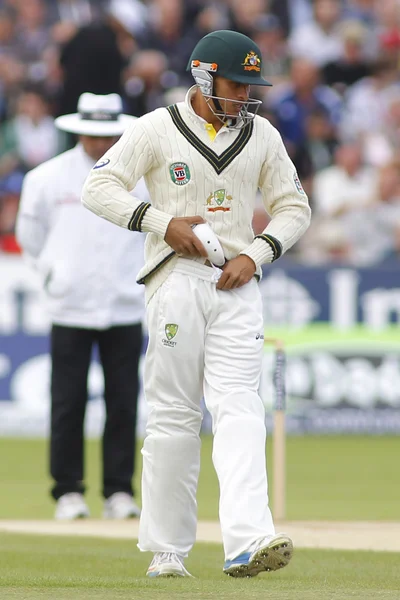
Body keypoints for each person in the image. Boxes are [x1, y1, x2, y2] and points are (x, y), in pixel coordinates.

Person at [82, 30, 311, 577]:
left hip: (237, 284)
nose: (244, 96)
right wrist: (161, 223)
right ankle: (167, 550)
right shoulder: (157, 127)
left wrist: (256, 255)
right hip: (176, 279)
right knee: (174, 416)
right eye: (236, 84)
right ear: (205, 75)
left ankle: (248, 542)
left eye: (251, 86)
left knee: (240, 408)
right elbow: (99, 186)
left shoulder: (262, 135)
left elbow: (293, 206)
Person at [16, 93, 147, 521]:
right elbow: (30, 238)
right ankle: (68, 491)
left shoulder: (142, 179)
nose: (99, 142)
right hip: (69, 306)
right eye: (92, 134)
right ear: (78, 131)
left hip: (125, 303)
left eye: (107, 133)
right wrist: (57, 274)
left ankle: (118, 491)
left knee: (124, 402)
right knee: (68, 402)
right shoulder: (46, 177)